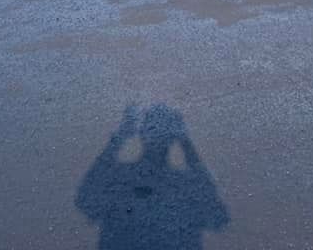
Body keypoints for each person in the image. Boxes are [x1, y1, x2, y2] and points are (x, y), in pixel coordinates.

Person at [76, 105, 229, 250]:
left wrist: (121, 136)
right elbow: (216, 216)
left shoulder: (121, 176)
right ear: (173, 137)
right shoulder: (185, 183)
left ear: (141, 134)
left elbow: (86, 196)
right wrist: (186, 143)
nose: (157, 140)